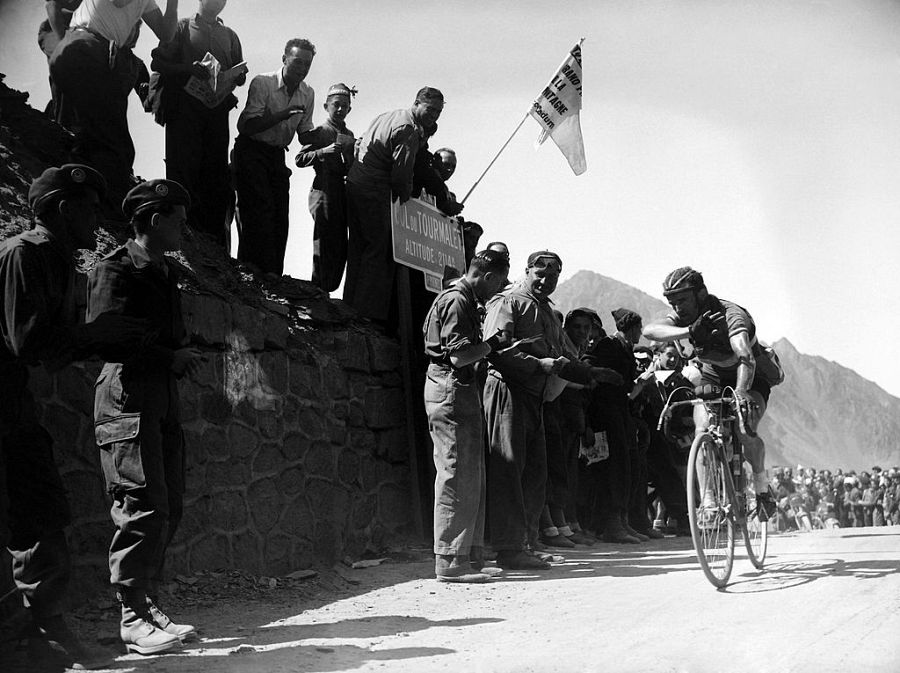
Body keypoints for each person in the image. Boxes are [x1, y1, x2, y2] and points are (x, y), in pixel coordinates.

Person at [0, 164, 146, 669]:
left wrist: (97, 336)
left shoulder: (56, 259)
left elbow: (50, 347)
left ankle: (44, 636)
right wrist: (99, 335)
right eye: (89, 209)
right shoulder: (25, 254)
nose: (98, 220)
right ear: (63, 210)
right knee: (30, 514)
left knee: (40, 513)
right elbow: (30, 341)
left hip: (12, 403)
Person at [87, 179, 202, 655]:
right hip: (127, 395)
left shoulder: (165, 272)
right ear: (154, 220)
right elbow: (105, 337)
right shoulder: (117, 270)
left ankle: (147, 603)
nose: (185, 228)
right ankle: (132, 616)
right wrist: (166, 358)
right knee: (140, 505)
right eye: (178, 219)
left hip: (159, 397)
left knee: (168, 504)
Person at [482, 251, 621, 569]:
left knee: (535, 473)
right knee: (509, 470)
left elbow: (563, 358)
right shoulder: (509, 302)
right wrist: (539, 364)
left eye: (554, 276)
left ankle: (526, 543)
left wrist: (591, 374)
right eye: (540, 274)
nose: (546, 280)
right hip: (509, 391)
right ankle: (507, 547)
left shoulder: (545, 309)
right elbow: (496, 351)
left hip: (535, 397)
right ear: (527, 270)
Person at [643, 266, 781, 517]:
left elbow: (746, 358)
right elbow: (649, 331)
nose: (678, 308)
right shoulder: (684, 317)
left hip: (750, 375)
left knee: (743, 427)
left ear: (701, 293)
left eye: (682, 300)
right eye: (672, 302)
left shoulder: (732, 316)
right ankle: (708, 503)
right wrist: (690, 330)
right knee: (702, 430)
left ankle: (762, 487)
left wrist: (741, 391)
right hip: (713, 374)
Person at [423, 249, 510, 582]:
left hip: (456, 387)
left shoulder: (459, 298)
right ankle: (450, 560)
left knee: (470, 471)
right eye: (499, 282)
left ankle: (467, 556)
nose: (498, 289)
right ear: (487, 276)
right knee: (457, 470)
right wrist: (493, 345)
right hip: (451, 386)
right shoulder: (458, 301)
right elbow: (460, 357)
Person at [49, 0, 179, 212]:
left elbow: (166, 34)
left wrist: (172, 4)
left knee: (88, 135)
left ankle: (74, 201)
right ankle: (97, 208)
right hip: (85, 47)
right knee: (108, 143)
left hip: (88, 50)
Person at [343, 87, 444, 325]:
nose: (434, 116)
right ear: (417, 103)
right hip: (374, 190)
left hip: (356, 185)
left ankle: (350, 306)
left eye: (438, 112)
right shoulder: (408, 129)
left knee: (358, 247)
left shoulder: (389, 115)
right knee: (379, 250)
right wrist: (406, 197)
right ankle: (367, 314)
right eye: (430, 110)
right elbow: (401, 175)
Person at [150, 0, 245, 247]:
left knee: (214, 174)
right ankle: (181, 235)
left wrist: (239, 76)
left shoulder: (230, 36)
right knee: (183, 169)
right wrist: (187, 69)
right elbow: (157, 63)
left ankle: (211, 242)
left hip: (216, 112)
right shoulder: (182, 27)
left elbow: (238, 69)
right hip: (184, 110)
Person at [234, 38, 316, 277]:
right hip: (251, 151)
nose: (302, 69)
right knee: (256, 211)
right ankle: (250, 272)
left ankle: (272, 276)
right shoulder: (263, 82)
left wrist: (325, 137)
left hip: (276, 155)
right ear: (284, 59)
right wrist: (281, 115)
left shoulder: (307, 93)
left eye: (307, 64)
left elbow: (304, 134)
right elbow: (247, 127)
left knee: (280, 216)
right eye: (297, 62)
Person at [295, 82, 357, 291]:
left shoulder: (349, 134)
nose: (340, 109)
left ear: (349, 108)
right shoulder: (321, 131)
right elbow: (300, 158)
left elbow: (351, 167)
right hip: (323, 189)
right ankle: (318, 288)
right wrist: (324, 152)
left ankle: (330, 289)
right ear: (326, 106)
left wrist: (351, 156)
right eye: (336, 105)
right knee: (324, 240)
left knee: (340, 241)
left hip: (341, 191)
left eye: (344, 106)